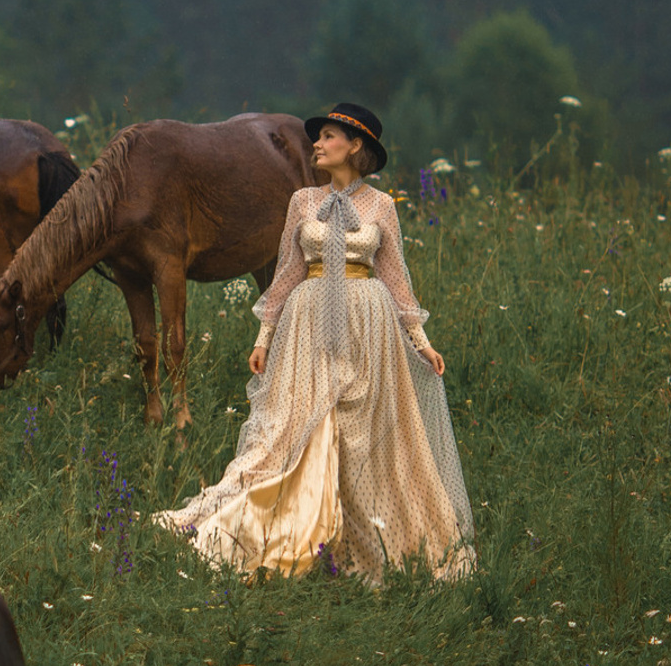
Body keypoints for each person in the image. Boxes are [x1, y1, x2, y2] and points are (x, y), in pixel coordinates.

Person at [154, 102, 473, 583]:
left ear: (355, 146)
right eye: (318, 138)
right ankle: (292, 529)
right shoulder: (302, 201)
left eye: (327, 137)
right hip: (307, 322)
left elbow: (396, 279)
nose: (317, 145)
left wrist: (421, 341)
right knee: (299, 423)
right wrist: (264, 336)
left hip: (369, 323)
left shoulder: (381, 207)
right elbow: (285, 274)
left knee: (364, 431)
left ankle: (360, 540)